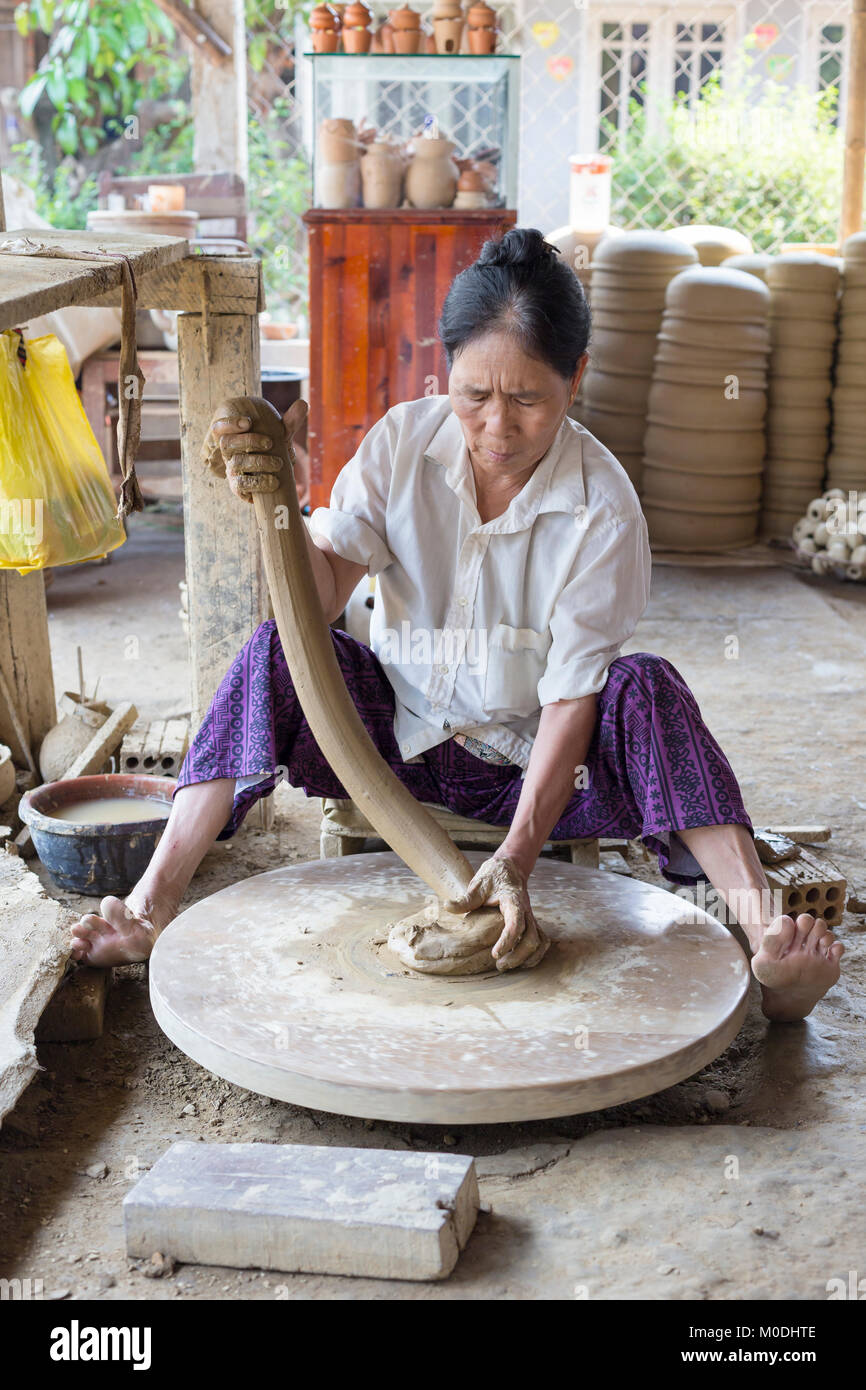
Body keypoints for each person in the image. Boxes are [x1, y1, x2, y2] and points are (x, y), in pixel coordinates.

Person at [71, 227, 843, 1019]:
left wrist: (517, 858)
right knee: (276, 651)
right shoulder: (401, 444)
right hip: (392, 749)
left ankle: (770, 944)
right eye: (474, 395)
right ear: (446, 371)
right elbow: (319, 599)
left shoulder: (604, 509)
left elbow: (572, 700)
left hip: (537, 776)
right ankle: (148, 908)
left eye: (528, 400)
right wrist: (277, 507)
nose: (497, 427)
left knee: (648, 687)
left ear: (575, 378)